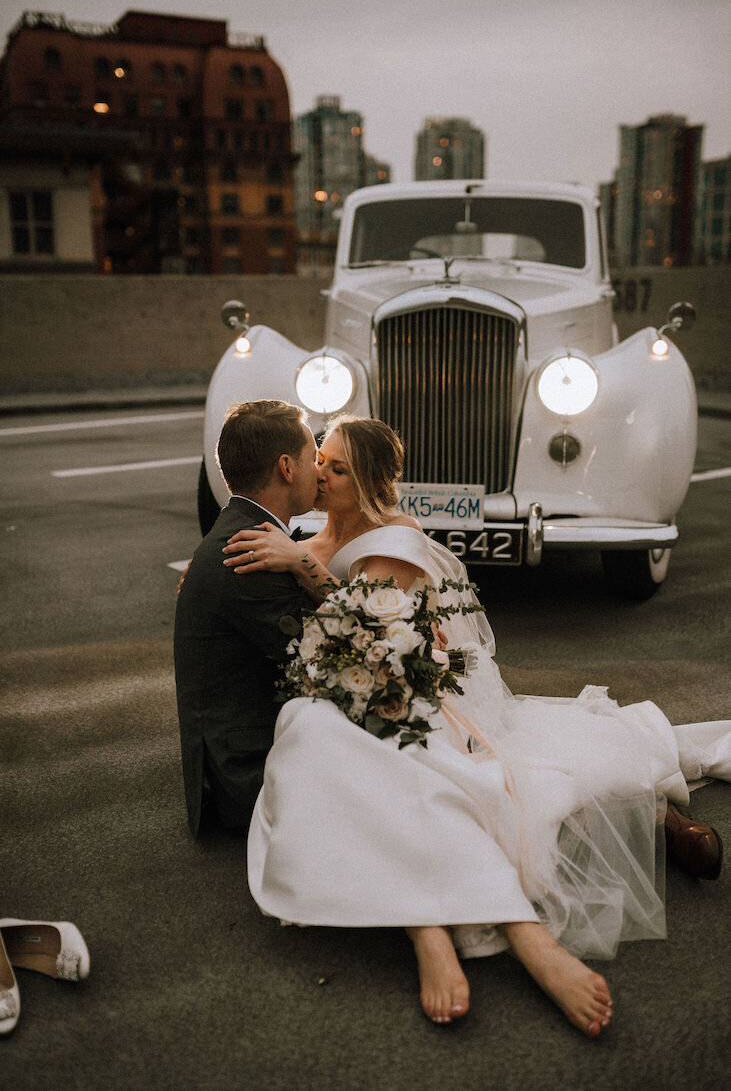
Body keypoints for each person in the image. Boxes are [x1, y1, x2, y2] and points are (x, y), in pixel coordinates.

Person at [222, 414, 728, 1035]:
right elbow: (257, 596)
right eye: (320, 459)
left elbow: (375, 635)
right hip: (345, 700)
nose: (321, 473)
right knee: (338, 754)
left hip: (417, 693)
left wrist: (301, 566)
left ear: (376, 485)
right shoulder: (299, 533)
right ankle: (436, 929)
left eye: (339, 468)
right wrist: (214, 573)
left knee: (427, 768)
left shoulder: (397, 540)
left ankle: (496, 928)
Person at [174, 400, 319, 836]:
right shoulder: (247, 551)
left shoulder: (245, 529)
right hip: (244, 772)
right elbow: (323, 655)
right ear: (287, 468)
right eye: (314, 458)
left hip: (248, 739)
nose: (320, 471)